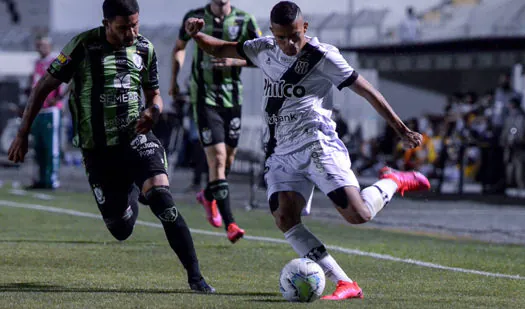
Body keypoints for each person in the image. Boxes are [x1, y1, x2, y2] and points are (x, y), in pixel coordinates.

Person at [184, 0, 431, 300]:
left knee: (358, 214)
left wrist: (401, 129)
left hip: (317, 145)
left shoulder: (323, 56)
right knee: (285, 218)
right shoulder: (263, 49)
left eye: (294, 36)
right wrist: (196, 35)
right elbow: (219, 48)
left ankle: (393, 180)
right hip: (280, 152)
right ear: (272, 33)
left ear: (305, 28)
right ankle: (345, 283)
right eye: (281, 37)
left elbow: (368, 91)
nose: (288, 44)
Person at [8, 0, 214, 293]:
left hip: (137, 139)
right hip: (98, 150)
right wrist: (23, 133)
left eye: (135, 25)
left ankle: (196, 277)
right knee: (120, 229)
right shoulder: (83, 46)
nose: (130, 33)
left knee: (162, 201)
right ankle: (133, 188)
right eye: (122, 28)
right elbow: (44, 87)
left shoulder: (145, 48)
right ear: (106, 24)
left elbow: (154, 95)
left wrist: (153, 112)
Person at [171, 0, 262, 243]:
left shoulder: (245, 20)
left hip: (233, 98)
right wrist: (173, 80)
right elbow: (179, 46)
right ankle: (231, 223)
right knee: (218, 158)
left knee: (228, 159)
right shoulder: (194, 17)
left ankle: (208, 195)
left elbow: (262, 56)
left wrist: (235, 61)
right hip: (203, 97)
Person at [27, 36, 65, 190]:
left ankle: (52, 179)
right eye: (39, 45)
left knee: (51, 147)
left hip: (51, 110)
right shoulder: (37, 64)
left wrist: (57, 98)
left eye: (44, 45)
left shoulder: (55, 62)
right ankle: (41, 178)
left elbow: (65, 82)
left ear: (49, 46)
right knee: (39, 147)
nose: (41, 48)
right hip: (38, 110)